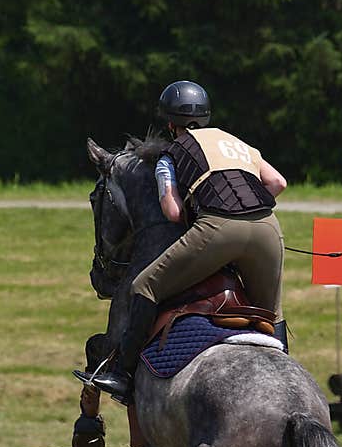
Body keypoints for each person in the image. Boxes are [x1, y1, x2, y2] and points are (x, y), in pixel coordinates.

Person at [86, 79, 289, 404]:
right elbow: (278, 182)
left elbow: (172, 210)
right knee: (271, 314)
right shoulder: (235, 142)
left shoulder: (170, 153)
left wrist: (216, 212)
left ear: (169, 123)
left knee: (144, 287)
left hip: (218, 231)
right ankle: (285, 382)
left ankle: (121, 375)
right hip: (268, 229)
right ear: (206, 118)